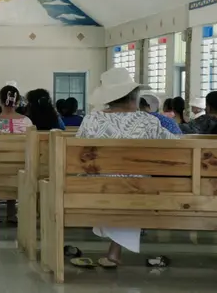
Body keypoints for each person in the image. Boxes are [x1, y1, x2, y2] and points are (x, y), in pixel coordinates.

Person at [71, 67, 176, 270]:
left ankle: (114, 251)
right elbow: (175, 147)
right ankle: (115, 250)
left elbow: (77, 154)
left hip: (96, 187)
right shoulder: (148, 121)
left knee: (117, 182)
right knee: (135, 181)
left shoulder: (91, 119)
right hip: (137, 188)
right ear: (134, 96)